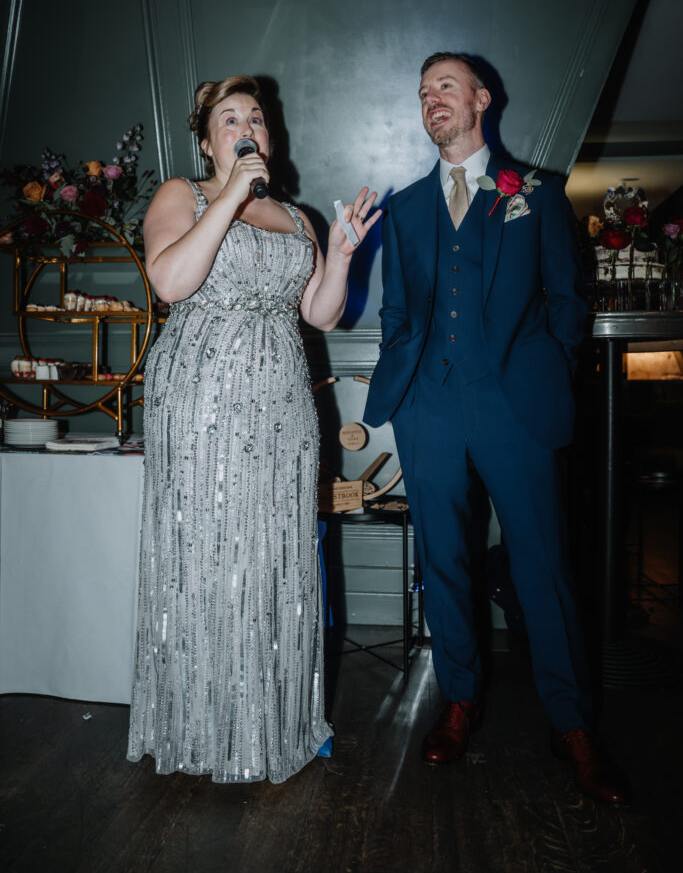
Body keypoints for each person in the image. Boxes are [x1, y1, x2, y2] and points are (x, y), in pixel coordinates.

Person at [363, 52, 627, 805]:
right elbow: (396, 311)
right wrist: (404, 378)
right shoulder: (406, 206)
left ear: (481, 98)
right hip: (429, 407)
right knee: (445, 562)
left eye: (444, 86)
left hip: (514, 404)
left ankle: (572, 725)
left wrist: (546, 364)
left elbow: (565, 298)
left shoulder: (533, 193)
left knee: (542, 564)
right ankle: (459, 701)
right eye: (421, 92)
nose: (430, 100)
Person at [127, 75, 380, 784]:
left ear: (270, 138)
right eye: (229, 118)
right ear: (207, 139)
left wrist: (343, 249)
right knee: (206, 550)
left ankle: (271, 722)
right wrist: (231, 194)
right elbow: (172, 282)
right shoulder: (183, 195)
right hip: (201, 397)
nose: (246, 127)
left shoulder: (297, 217)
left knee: (275, 553)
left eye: (257, 118)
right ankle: (202, 727)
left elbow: (322, 314)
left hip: (281, 400)